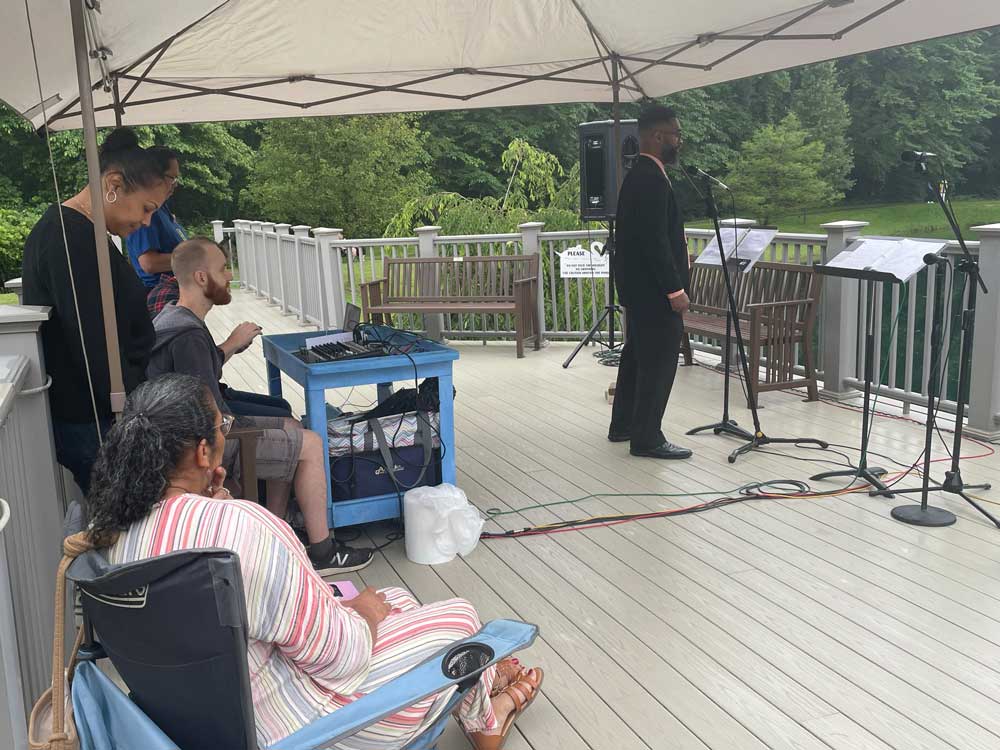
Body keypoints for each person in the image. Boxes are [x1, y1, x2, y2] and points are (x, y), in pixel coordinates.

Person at [85, 373, 543, 750]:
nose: (225, 432)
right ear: (204, 452)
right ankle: (487, 712)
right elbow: (341, 659)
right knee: (460, 617)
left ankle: (478, 695)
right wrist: (362, 612)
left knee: (396, 595)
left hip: (201, 726)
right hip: (308, 729)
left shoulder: (108, 535)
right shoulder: (241, 530)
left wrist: (210, 499)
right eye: (222, 425)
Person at [147, 237, 370, 574]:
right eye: (223, 269)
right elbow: (213, 419)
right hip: (203, 446)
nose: (230, 276)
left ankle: (277, 534)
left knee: (293, 427)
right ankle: (323, 551)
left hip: (189, 436)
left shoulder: (173, 317)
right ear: (202, 278)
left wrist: (231, 348)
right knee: (311, 444)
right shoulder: (188, 336)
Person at [21, 127, 170, 493]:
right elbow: (92, 342)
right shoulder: (68, 237)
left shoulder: (84, 231)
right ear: (113, 183)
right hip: (96, 421)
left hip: (105, 416)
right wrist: (132, 417)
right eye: (147, 208)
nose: (147, 222)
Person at [608, 105, 693, 460]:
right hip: (656, 293)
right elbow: (655, 241)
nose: (679, 141)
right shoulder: (651, 180)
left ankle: (624, 424)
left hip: (638, 291)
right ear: (658, 137)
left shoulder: (637, 175)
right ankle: (647, 437)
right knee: (658, 362)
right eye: (675, 134)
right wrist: (675, 290)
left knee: (636, 357)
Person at [126, 146, 188, 317]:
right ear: (153, 176)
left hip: (176, 293)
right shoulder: (148, 211)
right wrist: (195, 258)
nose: (175, 184)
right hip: (160, 298)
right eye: (172, 178)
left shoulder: (162, 208)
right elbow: (149, 263)